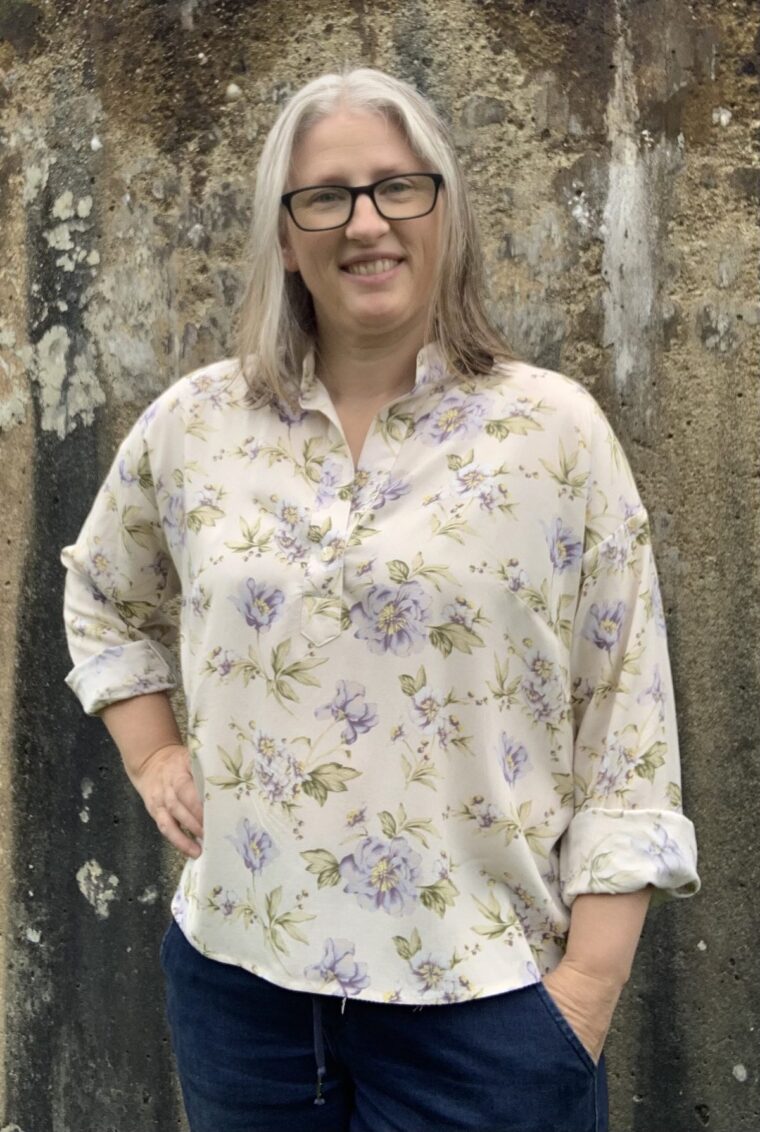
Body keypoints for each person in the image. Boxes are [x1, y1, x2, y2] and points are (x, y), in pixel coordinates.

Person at [61, 67, 700, 1132]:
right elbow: (102, 587)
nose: (366, 222)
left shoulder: (551, 434)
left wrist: (582, 994)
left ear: (443, 210)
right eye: (327, 195)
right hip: (243, 990)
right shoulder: (198, 425)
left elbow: (625, 710)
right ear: (283, 232)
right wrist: (151, 752)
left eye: (397, 187)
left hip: (485, 1006)